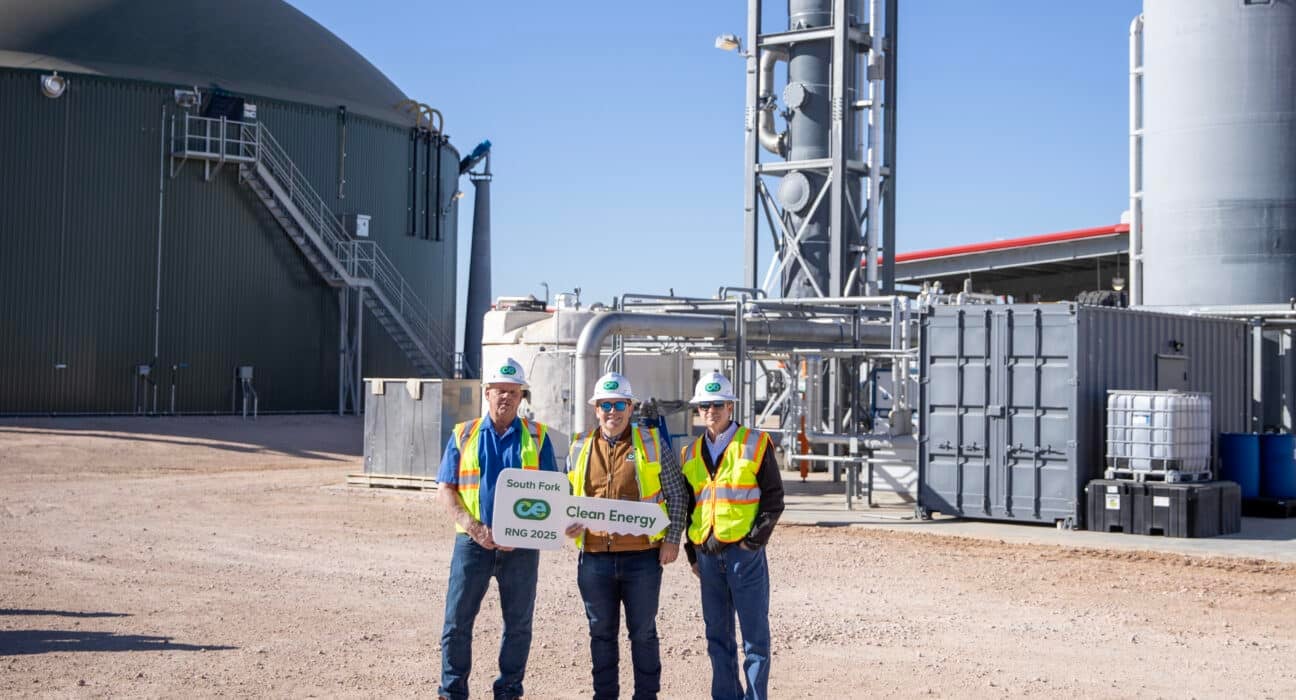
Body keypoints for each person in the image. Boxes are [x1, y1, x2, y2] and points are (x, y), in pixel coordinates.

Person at [436, 357, 558, 700]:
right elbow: (446, 489)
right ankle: (452, 692)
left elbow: (551, 493)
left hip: (519, 549)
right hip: (472, 544)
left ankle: (508, 691)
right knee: (457, 623)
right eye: (499, 390)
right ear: (486, 393)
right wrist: (474, 528)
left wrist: (522, 533)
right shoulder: (464, 434)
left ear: (521, 397)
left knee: (518, 626)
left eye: (513, 392)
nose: (506, 397)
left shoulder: (538, 436)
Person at [564, 371, 690, 700]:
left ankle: (646, 696)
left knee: (643, 635)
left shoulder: (646, 445)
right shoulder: (580, 446)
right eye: (605, 404)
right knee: (601, 635)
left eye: (619, 403)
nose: (612, 411)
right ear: (596, 409)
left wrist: (673, 537)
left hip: (641, 559)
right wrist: (566, 522)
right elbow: (566, 498)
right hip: (594, 559)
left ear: (631, 408)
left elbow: (676, 494)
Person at [679, 371, 785, 700]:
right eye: (705, 405)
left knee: (755, 640)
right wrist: (693, 552)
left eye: (719, 404)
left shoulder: (756, 443)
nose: (712, 410)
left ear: (730, 406)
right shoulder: (690, 453)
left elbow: (774, 499)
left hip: (744, 556)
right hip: (708, 558)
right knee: (718, 639)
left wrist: (752, 542)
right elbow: (689, 506)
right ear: (698, 409)